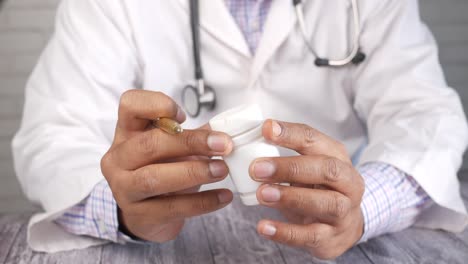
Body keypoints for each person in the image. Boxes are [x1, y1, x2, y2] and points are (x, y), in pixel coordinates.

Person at [12, 0, 468, 259]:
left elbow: (426, 116)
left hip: (332, 242)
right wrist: (124, 207)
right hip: (174, 242)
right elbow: (52, 135)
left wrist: (360, 204)